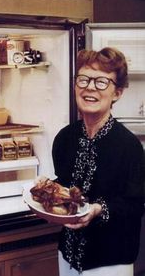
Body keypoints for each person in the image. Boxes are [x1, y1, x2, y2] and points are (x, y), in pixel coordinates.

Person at [52, 47, 145, 275]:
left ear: (117, 93)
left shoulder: (129, 146)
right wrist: (50, 196)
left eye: (101, 82)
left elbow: (136, 205)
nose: (90, 87)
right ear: (75, 86)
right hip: (67, 254)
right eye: (83, 80)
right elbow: (64, 186)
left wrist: (97, 209)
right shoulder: (64, 138)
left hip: (110, 261)